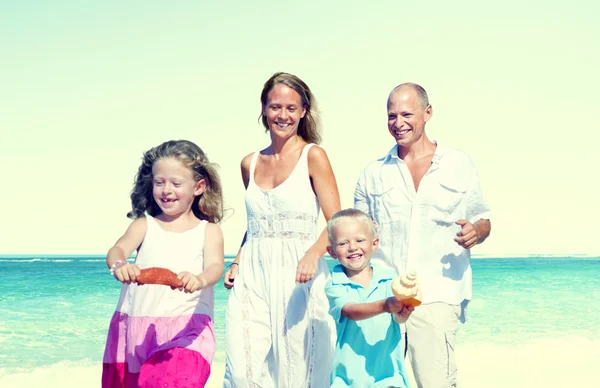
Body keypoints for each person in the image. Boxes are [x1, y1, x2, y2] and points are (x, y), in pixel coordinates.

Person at [354, 83, 492, 388]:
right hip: (383, 298)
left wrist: (476, 232)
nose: (398, 123)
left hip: (438, 297)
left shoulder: (459, 163)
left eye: (406, 114)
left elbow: (483, 219)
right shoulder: (372, 173)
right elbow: (358, 237)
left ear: (427, 113)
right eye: (391, 115)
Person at [223, 72, 341, 387]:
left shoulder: (313, 156)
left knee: (300, 371)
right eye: (275, 107)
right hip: (253, 272)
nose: (283, 115)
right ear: (264, 109)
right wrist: (235, 261)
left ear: (303, 111)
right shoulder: (250, 163)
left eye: (291, 108)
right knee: (242, 372)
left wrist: (314, 254)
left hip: (300, 274)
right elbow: (257, 224)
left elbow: (338, 223)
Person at [102, 140, 225, 388]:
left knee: (175, 380)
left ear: (198, 187)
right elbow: (117, 249)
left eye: (176, 183)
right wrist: (119, 266)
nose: (166, 190)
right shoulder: (144, 225)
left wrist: (200, 279)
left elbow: (215, 268)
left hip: (188, 329)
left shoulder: (208, 231)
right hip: (137, 326)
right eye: (160, 182)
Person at [325, 209, 413, 387]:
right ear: (332, 252)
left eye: (359, 240)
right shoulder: (335, 283)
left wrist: (402, 314)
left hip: (389, 375)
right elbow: (350, 311)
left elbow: (396, 318)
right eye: (343, 243)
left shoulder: (389, 278)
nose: (352, 247)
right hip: (349, 379)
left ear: (374, 244)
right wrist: (385, 306)